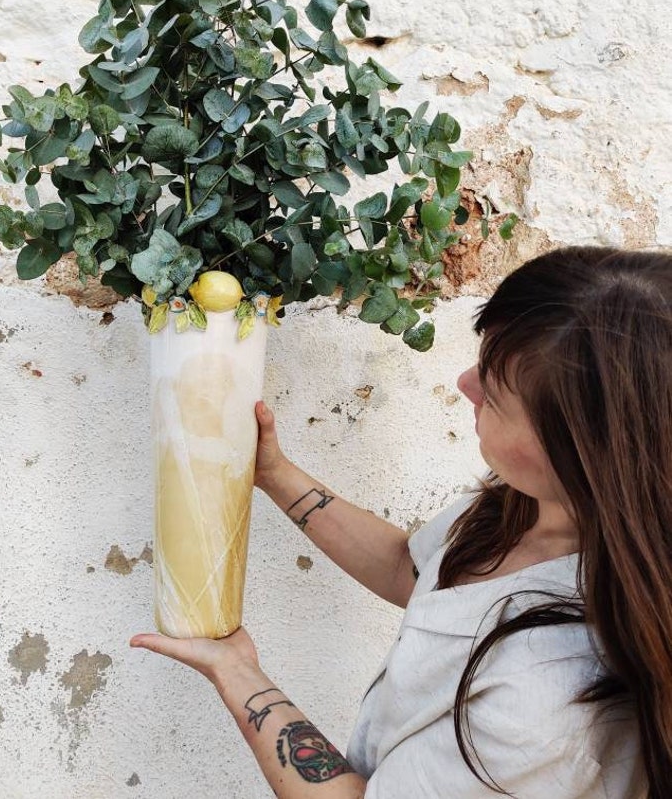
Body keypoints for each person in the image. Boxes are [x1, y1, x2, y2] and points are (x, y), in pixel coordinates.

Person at [131, 246, 670, 798]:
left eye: (496, 390)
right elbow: (410, 570)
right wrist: (273, 472)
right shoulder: (530, 504)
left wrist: (235, 670)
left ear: (583, 449)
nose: (465, 383)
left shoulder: (547, 705)